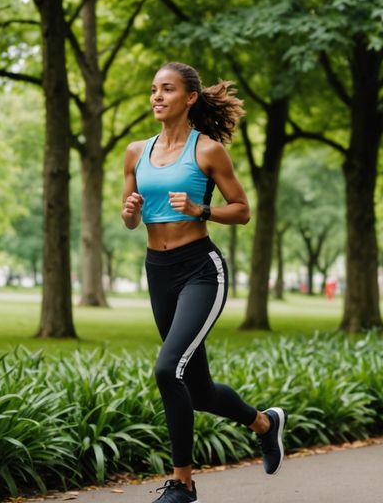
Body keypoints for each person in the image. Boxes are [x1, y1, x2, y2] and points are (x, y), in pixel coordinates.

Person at [121, 62, 286, 503]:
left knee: (166, 369)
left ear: (190, 97)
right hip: (158, 270)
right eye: (153, 89)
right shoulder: (135, 152)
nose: (157, 97)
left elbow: (242, 210)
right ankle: (265, 423)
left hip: (200, 270)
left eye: (167, 89)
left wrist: (201, 210)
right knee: (197, 391)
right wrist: (131, 212)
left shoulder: (208, 151)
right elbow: (130, 218)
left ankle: (183, 484)